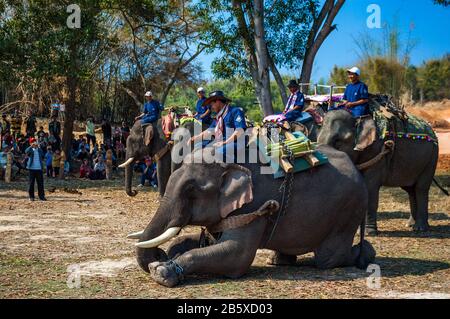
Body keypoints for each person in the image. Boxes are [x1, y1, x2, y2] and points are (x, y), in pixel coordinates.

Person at [190, 91, 247, 162]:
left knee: (219, 152)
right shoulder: (218, 117)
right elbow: (209, 131)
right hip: (220, 141)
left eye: (212, 104)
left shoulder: (235, 111)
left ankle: (231, 169)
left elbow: (240, 130)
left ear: (218, 102)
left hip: (235, 142)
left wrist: (225, 142)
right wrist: (196, 137)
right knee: (198, 146)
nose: (211, 107)